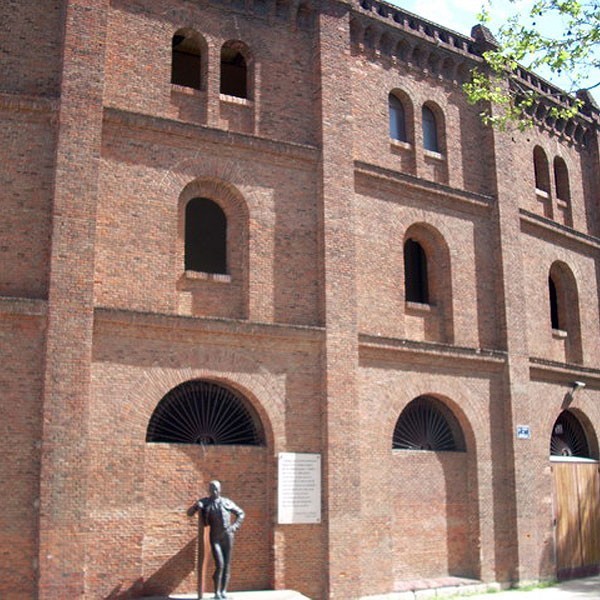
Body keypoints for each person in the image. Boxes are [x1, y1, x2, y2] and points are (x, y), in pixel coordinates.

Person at [187, 480, 244, 599]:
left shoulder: (227, 502)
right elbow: (189, 513)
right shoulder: (205, 502)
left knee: (227, 564)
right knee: (220, 564)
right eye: (212, 489)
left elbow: (241, 513)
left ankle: (223, 591)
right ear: (209, 490)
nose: (215, 491)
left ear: (220, 490)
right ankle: (216, 592)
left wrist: (234, 527)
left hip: (227, 535)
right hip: (215, 537)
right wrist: (196, 506)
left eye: (217, 489)